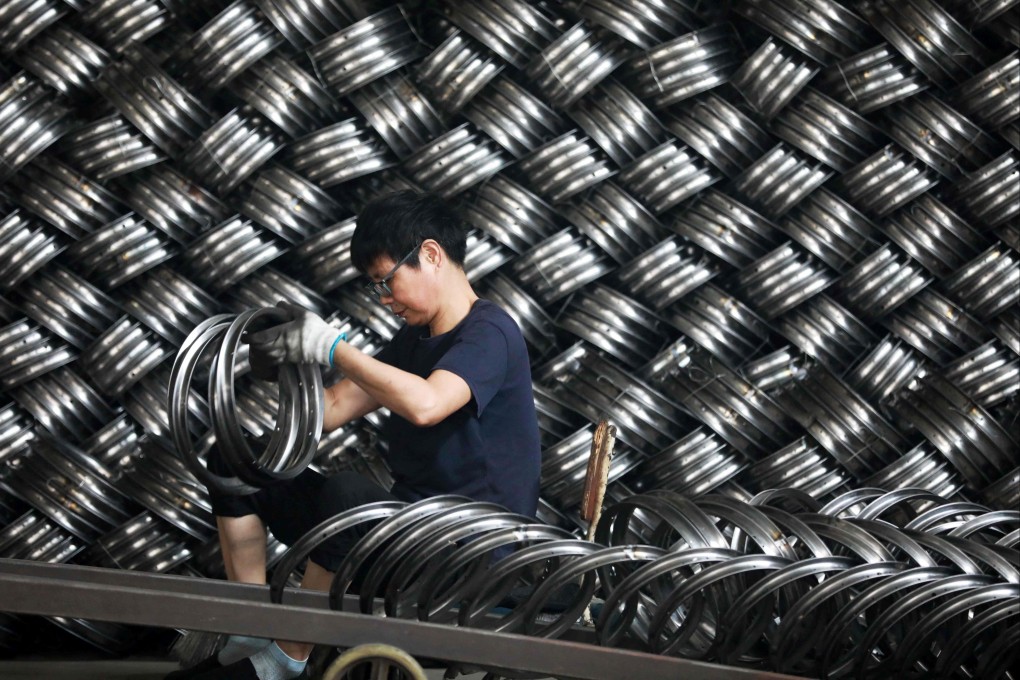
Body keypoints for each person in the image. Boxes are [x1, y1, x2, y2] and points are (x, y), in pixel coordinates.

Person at [168, 191, 542, 680]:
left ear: (430, 256)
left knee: (349, 495)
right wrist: (285, 362)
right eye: (377, 288)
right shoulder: (413, 342)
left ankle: (287, 658)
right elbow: (332, 409)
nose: (385, 300)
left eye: (387, 282)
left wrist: (330, 346)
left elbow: (426, 403)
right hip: (404, 538)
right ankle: (252, 629)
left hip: (468, 556)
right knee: (236, 461)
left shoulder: (489, 332)